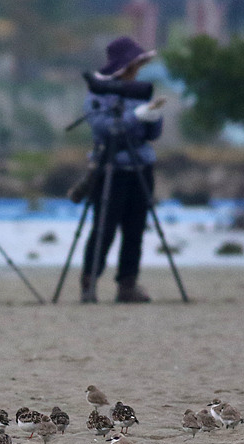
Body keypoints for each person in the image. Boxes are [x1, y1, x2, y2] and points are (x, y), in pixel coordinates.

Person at [79, 36, 165, 304]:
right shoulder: (99, 92)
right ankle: (89, 282)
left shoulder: (140, 89)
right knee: (104, 228)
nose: (137, 68)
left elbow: (152, 134)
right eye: (134, 63)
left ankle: (127, 284)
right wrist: (135, 117)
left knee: (136, 228)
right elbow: (103, 128)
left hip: (141, 165)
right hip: (111, 167)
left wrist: (152, 116)